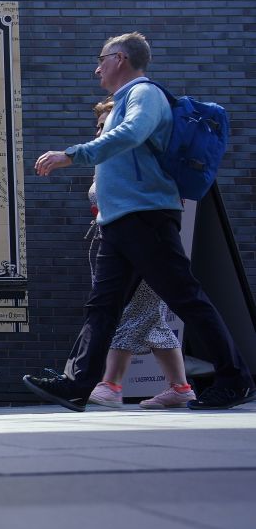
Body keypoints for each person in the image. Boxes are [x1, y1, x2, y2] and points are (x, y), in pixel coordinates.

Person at [28, 32, 253, 410]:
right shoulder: (120, 101)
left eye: (101, 59)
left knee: (187, 298)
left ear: (120, 58)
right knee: (103, 306)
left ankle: (235, 379)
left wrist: (72, 154)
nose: (96, 68)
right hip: (119, 222)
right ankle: (78, 384)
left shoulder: (142, 93)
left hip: (146, 216)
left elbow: (133, 133)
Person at [80, 99, 194, 409]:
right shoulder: (112, 159)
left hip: (139, 247)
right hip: (117, 247)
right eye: (98, 126)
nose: (99, 131)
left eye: (106, 125)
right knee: (151, 320)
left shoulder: (137, 159)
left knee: (128, 313)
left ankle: (111, 384)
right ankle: (180, 387)